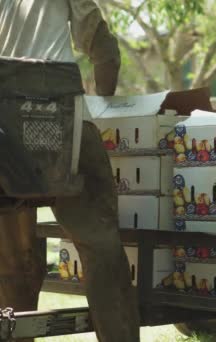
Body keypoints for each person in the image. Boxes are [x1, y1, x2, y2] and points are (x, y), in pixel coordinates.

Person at [0, 1, 140, 341]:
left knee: (11, 258)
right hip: (60, 116)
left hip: (5, 131)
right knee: (99, 244)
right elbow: (102, 48)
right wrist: (101, 103)